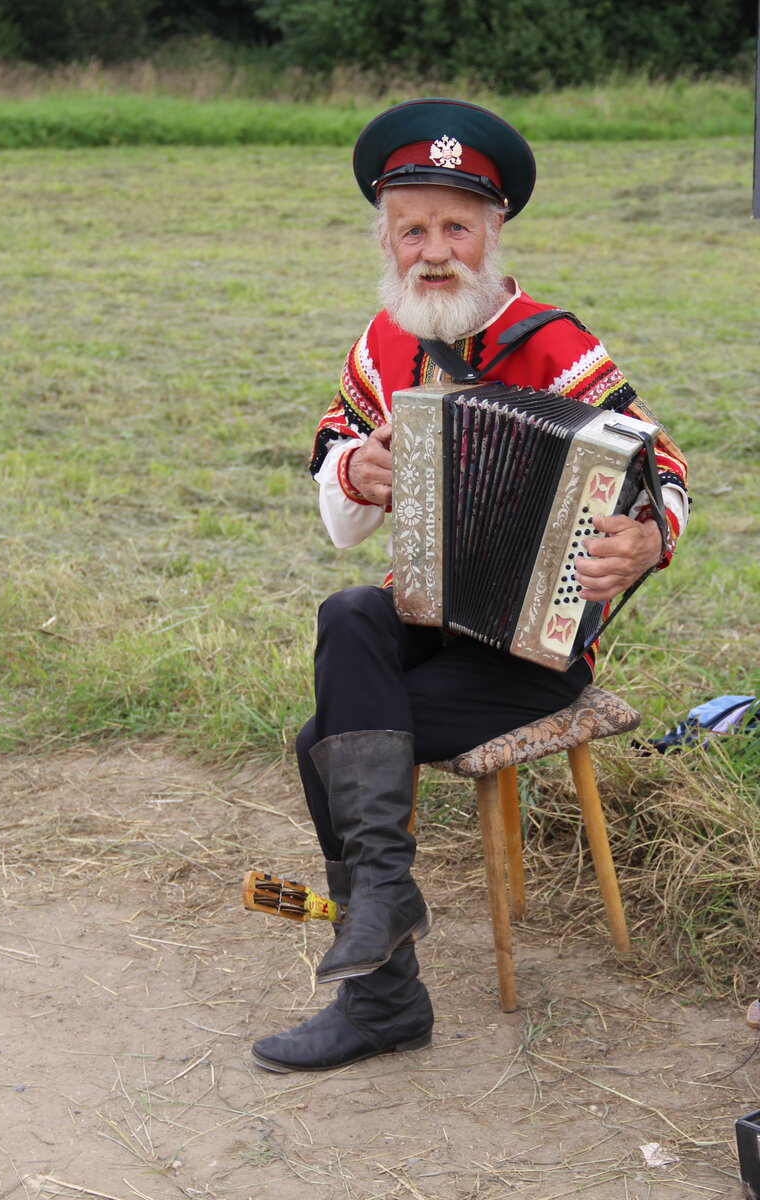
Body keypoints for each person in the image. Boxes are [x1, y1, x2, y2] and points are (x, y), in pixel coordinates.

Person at [251, 98, 688, 1074]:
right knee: (349, 609)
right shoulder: (381, 343)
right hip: (427, 617)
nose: (433, 249)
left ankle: (382, 993)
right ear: (385, 237)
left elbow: (661, 463)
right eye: (413, 228)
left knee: (324, 741)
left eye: (456, 226)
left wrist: (648, 541)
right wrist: (351, 475)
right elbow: (335, 460)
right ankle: (385, 928)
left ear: (492, 234)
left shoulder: (553, 346)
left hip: (530, 651)